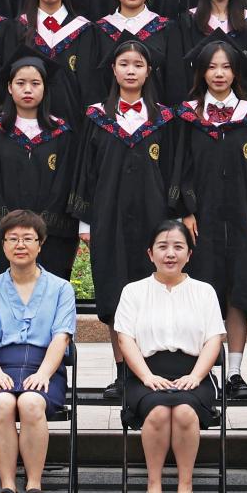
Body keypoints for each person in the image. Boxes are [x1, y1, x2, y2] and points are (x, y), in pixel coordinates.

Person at [70, 37, 181, 402]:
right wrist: (85, 223)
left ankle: (150, 368)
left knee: (153, 292)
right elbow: (85, 172)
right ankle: (121, 371)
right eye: (124, 64)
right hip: (108, 217)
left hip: (154, 220)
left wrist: (174, 222)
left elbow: (173, 170)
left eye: (138, 64)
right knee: (114, 293)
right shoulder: (96, 117)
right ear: (113, 70)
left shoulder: (163, 119)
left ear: (148, 71)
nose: (131, 71)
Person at [173, 39, 247, 398]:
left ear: (236, 72)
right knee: (204, 289)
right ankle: (207, 372)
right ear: (201, 72)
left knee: (239, 290)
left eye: (226, 66)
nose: (219, 73)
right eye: (212, 67)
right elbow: (181, 165)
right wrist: (186, 210)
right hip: (203, 217)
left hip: (244, 216)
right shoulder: (187, 116)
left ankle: (235, 372)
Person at [113, 220, 225, 493]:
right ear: (151, 254)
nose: (170, 254)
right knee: (159, 411)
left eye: (178, 247)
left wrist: (196, 375)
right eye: (162, 247)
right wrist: (147, 376)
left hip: (194, 372)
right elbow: (125, 339)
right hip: (146, 373)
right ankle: (154, 485)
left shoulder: (204, 292)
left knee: (185, 412)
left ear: (189, 254)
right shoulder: (134, 292)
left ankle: (185, 486)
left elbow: (214, 339)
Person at [0, 209, 78, 493]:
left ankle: (33, 487)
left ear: (40, 244)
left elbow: (62, 337)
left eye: (28, 238)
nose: (20, 245)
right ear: (3, 245)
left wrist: (44, 373)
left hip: (44, 366)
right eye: (13, 239)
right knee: (2, 402)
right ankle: (7, 488)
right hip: (1, 365)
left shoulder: (61, 288)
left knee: (32, 402)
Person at [0, 57, 79, 279]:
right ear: (9, 87)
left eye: (35, 83)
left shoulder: (61, 133)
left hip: (49, 235)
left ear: (45, 87)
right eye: (20, 83)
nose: (27, 89)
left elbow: (64, 182)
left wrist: (41, 226)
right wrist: (9, 227)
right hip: (5, 234)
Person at [82, 0, 178, 106]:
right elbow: (93, 82)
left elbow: (174, 80)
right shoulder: (99, 30)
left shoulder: (166, 28)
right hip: (109, 115)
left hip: (157, 115)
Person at [14, 0, 92, 153]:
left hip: (73, 117)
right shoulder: (19, 27)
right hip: (28, 121)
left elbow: (89, 84)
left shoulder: (84, 29)